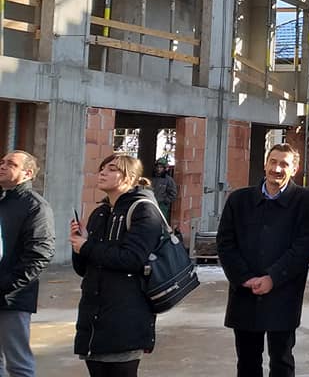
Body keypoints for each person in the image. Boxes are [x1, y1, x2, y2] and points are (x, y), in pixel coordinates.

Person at [217, 144, 309, 377]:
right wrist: (244, 278)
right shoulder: (239, 200)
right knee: (247, 361)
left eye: (284, 164)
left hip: (283, 292)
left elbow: (304, 247)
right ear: (265, 164)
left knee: (282, 360)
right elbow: (225, 243)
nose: (277, 169)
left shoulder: (306, 202)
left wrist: (273, 278)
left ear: (294, 169)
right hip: (245, 292)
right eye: (273, 162)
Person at [69, 154, 164, 377]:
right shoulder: (100, 212)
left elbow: (132, 258)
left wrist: (87, 247)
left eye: (112, 169)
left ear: (129, 177)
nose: (103, 173)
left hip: (126, 314)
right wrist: (79, 244)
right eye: (102, 168)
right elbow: (83, 269)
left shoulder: (143, 210)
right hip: (93, 316)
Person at [0, 151, 55, 377]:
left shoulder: (36, 207)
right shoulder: (3, 201)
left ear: (28, 173)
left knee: (18, 364)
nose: (2, 166)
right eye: (2, 162)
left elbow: (40, 254)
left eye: (11, 164)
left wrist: (7, 284)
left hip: (12, 298)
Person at [149, 159, 177, 225]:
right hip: (152, 204)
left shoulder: (169, 180)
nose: (159, 169)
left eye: (161, 167)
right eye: (157, 167)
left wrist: (165, 202)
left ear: (165, 168)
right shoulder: (152, 179)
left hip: (162, 206)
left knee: (162, 223)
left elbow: (173, 193)